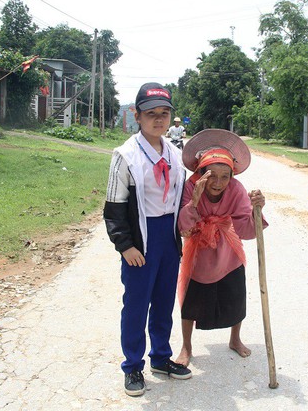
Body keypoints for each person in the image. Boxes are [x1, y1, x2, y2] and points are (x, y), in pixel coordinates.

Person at [103, 82, 192, 397]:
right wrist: (125, 246)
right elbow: (113, 210)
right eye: (151, 113)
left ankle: (161, 358)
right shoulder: (125, 156)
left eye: (164, 113)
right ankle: (132, 367)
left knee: (164, 302)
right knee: (137, 305)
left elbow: (183, 197)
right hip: (141, 241)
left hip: (168, 237)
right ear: (136, 116)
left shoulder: (175, 153)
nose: (159, 120)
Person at [174, 129, 267, 368]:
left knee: (235, 297)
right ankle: (186, 345)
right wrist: (194, 201)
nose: (218, 183)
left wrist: (257, 210)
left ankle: (235, 339)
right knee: (191, 302)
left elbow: (246, 231)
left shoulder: (236, 189)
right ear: (200, 172)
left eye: (225, 176)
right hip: (199, 251)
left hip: (228, 249)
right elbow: (183, 226)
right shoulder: (190, 187)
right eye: (211, 175)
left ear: (232, 176)